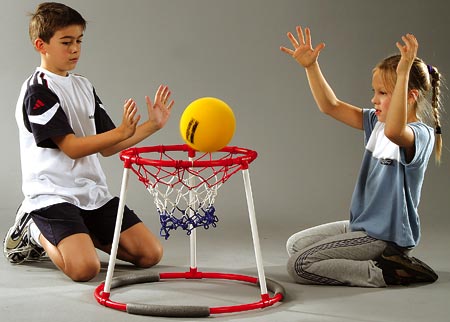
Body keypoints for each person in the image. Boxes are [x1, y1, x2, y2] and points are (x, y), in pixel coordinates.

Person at [3, 2, 174, 282]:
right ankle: (33, 228)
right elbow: (70, 147)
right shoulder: (39, 91)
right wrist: (120, 131)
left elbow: (107, 146)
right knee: (85, 270)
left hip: (91, 193)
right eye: (66, 42)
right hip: (52, 196)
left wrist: (152, 125)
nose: (75, 49)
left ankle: (76, 233)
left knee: (150, 254)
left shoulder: (83, 85)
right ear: (41, 44)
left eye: (79, 41)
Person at [280, 26, 442, 287]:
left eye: (383, 93)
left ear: (410, 96)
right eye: (374, 91)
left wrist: (402, 74)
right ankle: (374, 258)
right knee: (295, 245)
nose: (374, 99)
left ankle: (387, 271)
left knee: (299, 265)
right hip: (362, 226)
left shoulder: (420, 135)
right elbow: (330, 106)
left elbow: (395, 131)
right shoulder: (375, 122)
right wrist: (311, 67)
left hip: (385, 236)